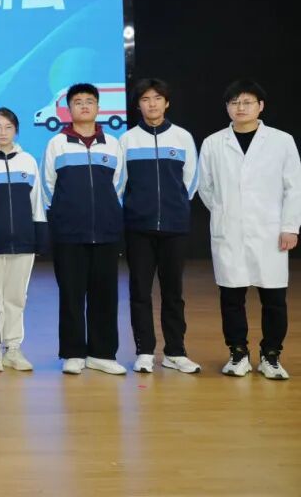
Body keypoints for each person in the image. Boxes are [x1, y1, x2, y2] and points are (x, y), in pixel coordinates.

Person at [198, 79, 301, 380]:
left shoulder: (281, 141)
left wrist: (290, 226)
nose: (240, 108)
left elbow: (293, 187)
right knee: (231, 297)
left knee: (274, 299)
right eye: (234, 103)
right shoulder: (213, 143)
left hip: (271, 231)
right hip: (229, 230)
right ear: (227, 107)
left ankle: (271, 355)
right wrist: (225, 211)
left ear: (260, 106)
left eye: (247, 102)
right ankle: (238, 353)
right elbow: (205, 187)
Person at [41, 83, 126, 376]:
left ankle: (102, 354)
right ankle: (73, 353)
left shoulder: (112, 143)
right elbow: (48, 187)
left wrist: (105, 211)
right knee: (71, 294)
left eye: (90, 101)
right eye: (78, 102)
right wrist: (64, 216)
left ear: (98, 108)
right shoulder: (57, 143)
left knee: (105, 294)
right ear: (69, 109)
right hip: (69, 233)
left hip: (106, 232)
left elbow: (118, 184)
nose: (85, 106)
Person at [120, 78, 201, 374]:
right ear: (138, 105)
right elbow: (119, 183)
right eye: (145, 99)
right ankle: (144, 351)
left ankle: (175, 352)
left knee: (173, 293)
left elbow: (191, 179)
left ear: (166, 103)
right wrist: (135, 209)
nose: (151, 104)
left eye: (157, 98)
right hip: (138, 228)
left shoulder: (182, 137)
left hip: (174, 227)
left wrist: (174, 206)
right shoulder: (127, 140)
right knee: (140, 292)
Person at [0, 107, 47, 372]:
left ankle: (13, 349)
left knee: (17, 297)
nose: (3, 132)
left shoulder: (28, 161)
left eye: (8, 127)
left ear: (16, 130)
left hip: (22, 240)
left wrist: (39, 234)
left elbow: (37, 201)